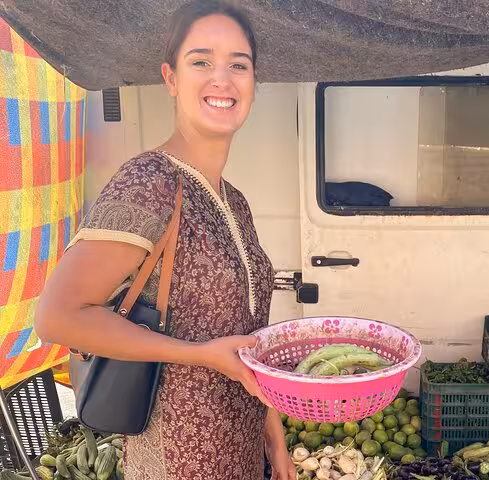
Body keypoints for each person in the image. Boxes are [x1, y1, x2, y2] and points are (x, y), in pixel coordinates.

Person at [34, 1, 295, 479]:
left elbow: (248, 345)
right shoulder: (149, 182)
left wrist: (274, 444)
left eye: (239, 64)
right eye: (201, 62)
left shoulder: (233, 201)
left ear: (254, 85)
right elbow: (57, 317)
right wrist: (197, 355)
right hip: (176, 460)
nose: (223, 79)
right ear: (171, 79)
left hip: (240, 458)